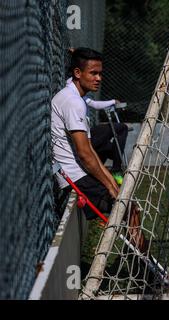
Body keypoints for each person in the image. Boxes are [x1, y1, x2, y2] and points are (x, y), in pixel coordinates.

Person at [51, 47, 146, 251]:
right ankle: (145, 270)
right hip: (74, 178)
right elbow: (85, 155)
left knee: (129, 206)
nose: (99, 78)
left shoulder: (75, 96)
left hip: (78, 173)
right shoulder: (72, 102)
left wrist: (111, 181)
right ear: (77, 73)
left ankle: (139, 262)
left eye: (100, 73)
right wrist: (110, 186)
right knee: (129, 210)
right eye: (93, 73)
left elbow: (90, 152)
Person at [66, 76, 128, 185]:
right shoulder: (71, 85)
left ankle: (114, 171)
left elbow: (94, 104)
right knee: (122, 127)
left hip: (89, 134)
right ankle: (116, 170)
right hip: (83, 136)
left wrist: (113, 101)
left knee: (111, 149)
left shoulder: (80, 91)